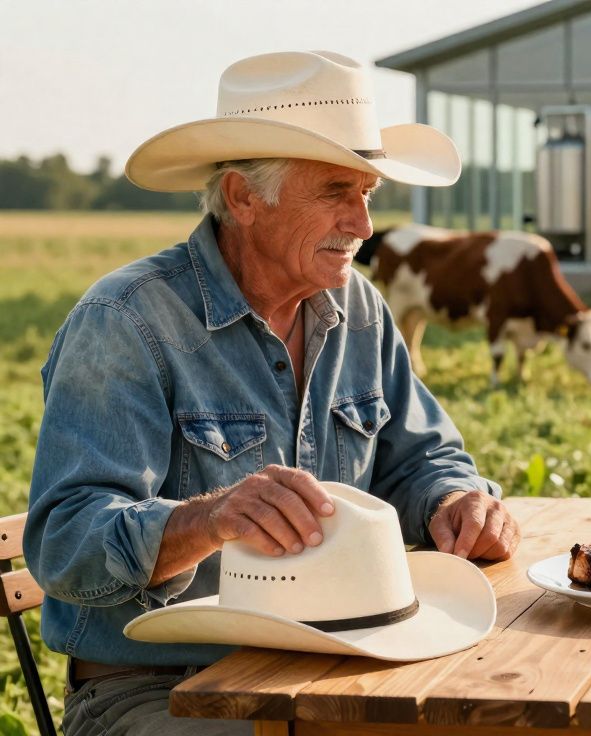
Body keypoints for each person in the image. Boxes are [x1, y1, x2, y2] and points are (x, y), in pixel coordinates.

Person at [25, 50, 521, 736]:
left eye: (367, 193)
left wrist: (456, 501)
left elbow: (421, 459)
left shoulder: (361, 310)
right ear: (242, 197)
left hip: (335, 667)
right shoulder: (128, 321)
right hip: (163, 691)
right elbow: (64, 543)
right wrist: (210, 519)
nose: (364, 224)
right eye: (335, 193)